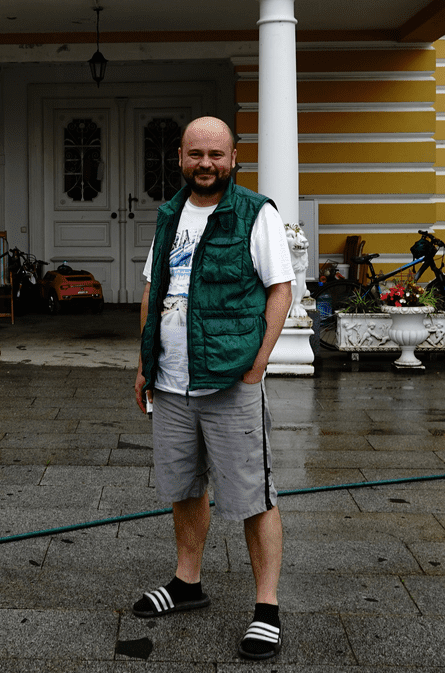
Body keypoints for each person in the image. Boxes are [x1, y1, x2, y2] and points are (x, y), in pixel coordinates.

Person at [133, 115, 294, 661]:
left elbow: (280, 289)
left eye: (216, 155)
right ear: (179, 157)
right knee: (183, 487)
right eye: (196, 154)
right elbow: (154, 287)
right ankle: (187, 583)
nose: (206, 164)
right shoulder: (168, 214)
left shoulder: (255, 212)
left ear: (233, 158)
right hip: (173, 380)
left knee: (253, 495)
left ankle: (266, 607)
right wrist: (144, 363)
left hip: (230, 378)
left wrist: (258, 363)